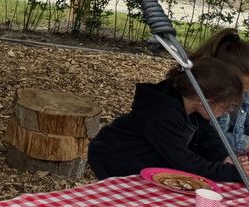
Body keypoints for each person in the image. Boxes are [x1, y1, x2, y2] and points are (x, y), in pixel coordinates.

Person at [87, 58, 249, 182]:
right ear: (204, 100)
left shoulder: (191, 104)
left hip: (147, 159)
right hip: (117, 158)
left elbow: (208, 136)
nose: (227, 112)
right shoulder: (163, 115)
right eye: (226, 106)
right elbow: (184, 162)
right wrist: (233, 173)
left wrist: (224, 158)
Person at [191, 29, 249, 154]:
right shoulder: (201, 100)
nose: (242, 95)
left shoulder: (241, 93)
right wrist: (243, 143)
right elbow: (206, 140)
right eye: (241, 89)